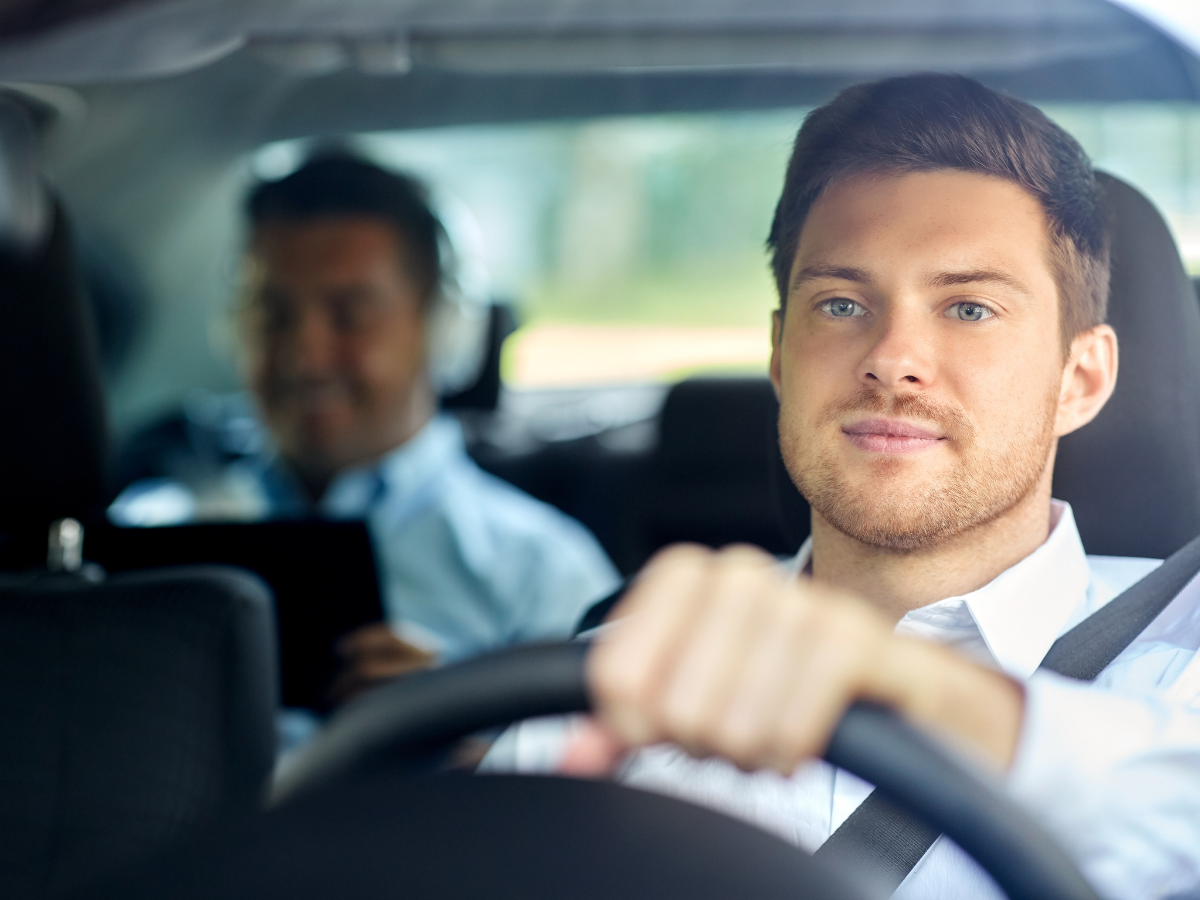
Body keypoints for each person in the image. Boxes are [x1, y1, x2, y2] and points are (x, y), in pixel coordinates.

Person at [483, 74, 1200, 899]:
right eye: (840, 304)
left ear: (1081, 378)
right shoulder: (603, 695)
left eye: (968, 308)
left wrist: (918, 689)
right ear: (779, 355)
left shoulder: (1180, 670)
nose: (892, 359)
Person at [112, 155, 620, 698]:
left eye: (350, 316)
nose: (305, 358)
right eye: (273, 314)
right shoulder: (149, 540)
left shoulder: (542, 575)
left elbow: (597, 750)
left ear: (441, 326)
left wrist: (444, 721)